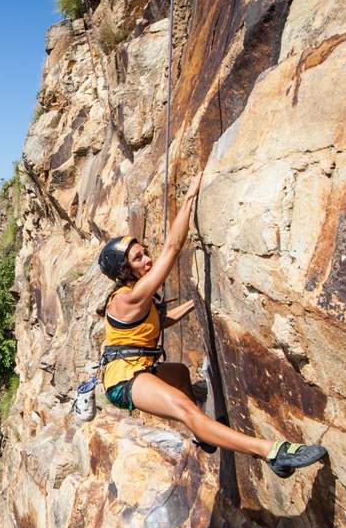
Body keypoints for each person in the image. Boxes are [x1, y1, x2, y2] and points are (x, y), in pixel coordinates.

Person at [96, 173, 327, 478]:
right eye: (139, 259)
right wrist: (190, 197)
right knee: (186, 410)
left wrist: (194, 303)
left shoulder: (137, 299)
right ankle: (271, 452)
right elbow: (172, 248)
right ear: (125, 270)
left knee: (178, 373)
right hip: (123, 379)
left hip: (137, 365)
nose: (148, 259)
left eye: (145, 252)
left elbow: (157, 322)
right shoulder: (127, 298)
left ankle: (204, 431)